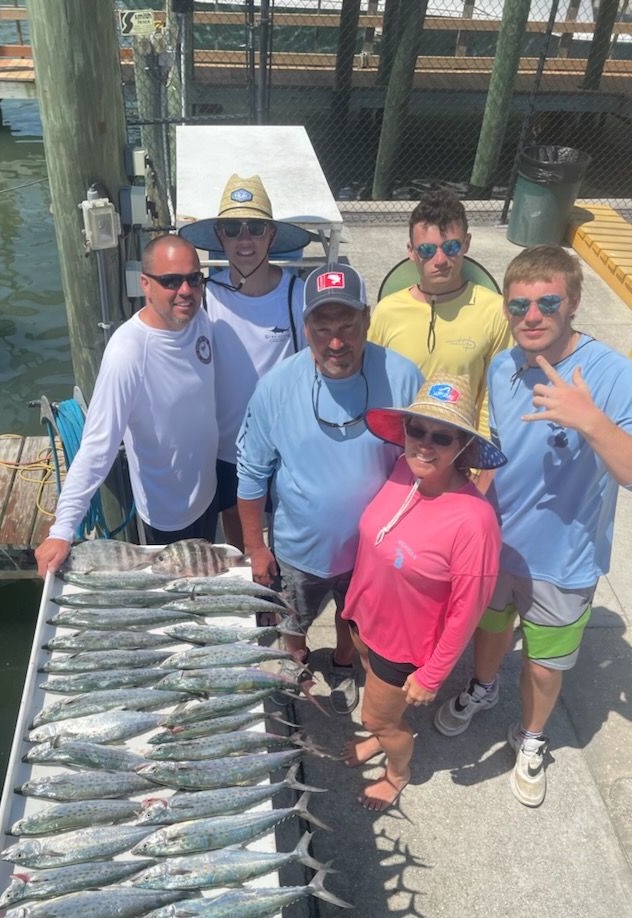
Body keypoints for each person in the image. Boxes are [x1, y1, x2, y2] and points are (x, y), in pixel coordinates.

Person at [433, 245, 632, 808]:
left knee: (545, 668)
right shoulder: (503, 365)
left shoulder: (612, 374)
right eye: (519, 306)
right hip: (500, 546)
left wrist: (588, 419)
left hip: (563, 561)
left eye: (547, 302)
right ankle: (483, 687)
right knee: (492, 627)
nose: (532, 317)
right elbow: (502, 452)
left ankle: (533, 736)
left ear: (572, 302)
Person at [237, 263, 423, 714]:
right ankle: (295, 659)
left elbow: (422, 463)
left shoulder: (403, 376)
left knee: (351, 618)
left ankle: (342, 664)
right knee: (292, 617)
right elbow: (251, 473)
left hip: (372, 550)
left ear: (367, 319)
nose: (335, 342)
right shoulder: (275, 388)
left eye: (347, 326)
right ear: (306, 328)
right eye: (322, 328)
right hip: (299, 548)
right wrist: (255, 548)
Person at [340, 374, 504, 811]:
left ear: (463, 448)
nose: (425, 445)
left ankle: (398, 770)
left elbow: (470, 611)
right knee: (376, 689)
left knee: (375, 714)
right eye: (417, 430)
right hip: (364, 616)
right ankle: (386, 732)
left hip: (406, 642)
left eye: (442, 436)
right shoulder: (400, 470)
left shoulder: (474, 521)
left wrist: (432, 674)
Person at [35, 235, 218, 578]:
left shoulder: (199, 320)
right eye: (171, 281)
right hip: (168, 515)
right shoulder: (128, 352)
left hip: (208, 493)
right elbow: (97, 447)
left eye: (194, 278)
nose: (185, 290)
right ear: (145, 284)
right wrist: (61, 531)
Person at [179, 173, 311, 550]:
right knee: (239, 540)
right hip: (223, 449)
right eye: (233, 228)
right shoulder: (203, 297)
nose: (244, 239)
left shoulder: (298, 296)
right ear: (220, 237)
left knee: (286, 533)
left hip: (283, 447)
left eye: (254, 227)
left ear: (271, 235)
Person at [367, 187, 511, 445]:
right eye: (427, 250)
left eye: (451, 247)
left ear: (466, 244)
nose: (441, 259)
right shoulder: (386, 311)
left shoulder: (495, 311)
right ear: (411, 252)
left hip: (458, 453)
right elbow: (372, 384)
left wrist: (480, 459)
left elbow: (494, 397)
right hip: (396, 449)